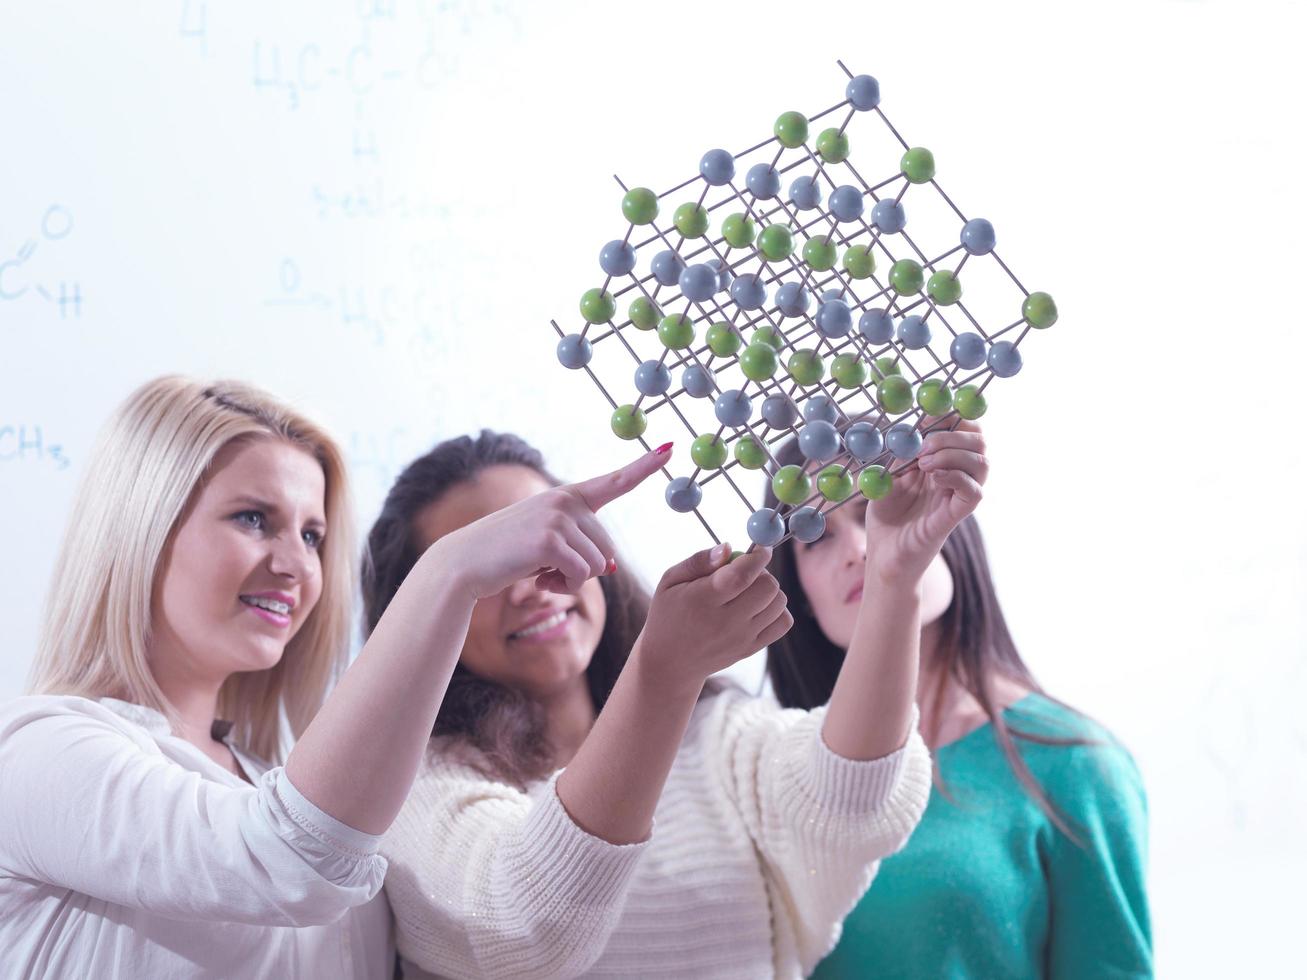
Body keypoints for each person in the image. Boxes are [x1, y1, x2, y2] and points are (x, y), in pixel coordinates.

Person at [0, 376, 661, 978]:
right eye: (253, 519)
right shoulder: (38, 754)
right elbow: (285, 861)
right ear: (141, 530)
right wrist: (448, 573)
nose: (296, 566)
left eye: (313, 536)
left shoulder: (283, 787)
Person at [364, 426, 986, 978]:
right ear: (419, 615)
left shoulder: (714, 736)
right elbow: (527, 929)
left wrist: (892, 581)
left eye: (549, 541)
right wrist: (660, 677)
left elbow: (847, 801)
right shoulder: (408, 791)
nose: (534, 587)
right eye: (490, 569)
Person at [765, 421, 1152, 979]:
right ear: (798, 591)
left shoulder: (1076, 764)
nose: (860, 545)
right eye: (815, 535)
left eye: (878, 501)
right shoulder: (772, 773)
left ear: (953, 525)